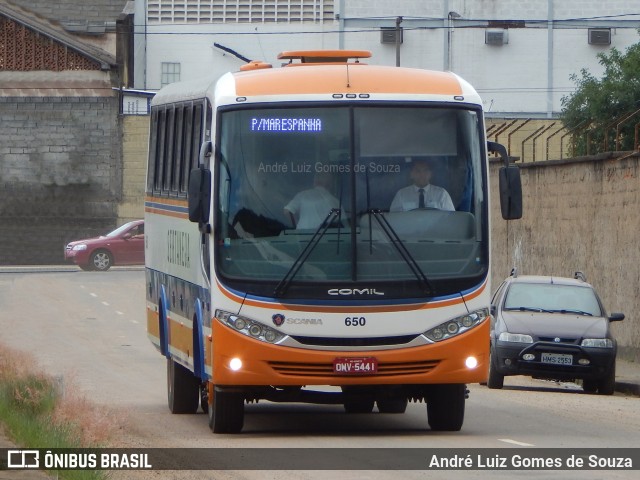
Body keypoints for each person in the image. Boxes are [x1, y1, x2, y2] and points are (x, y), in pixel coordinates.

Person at [389, 159, 455, 212]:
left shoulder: (441, 194)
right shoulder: (401, 195)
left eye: (425, 170)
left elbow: (450, 218)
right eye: (418, 171)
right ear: (411, 174)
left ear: (431, 174)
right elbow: (394, 218)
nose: (422, 174)